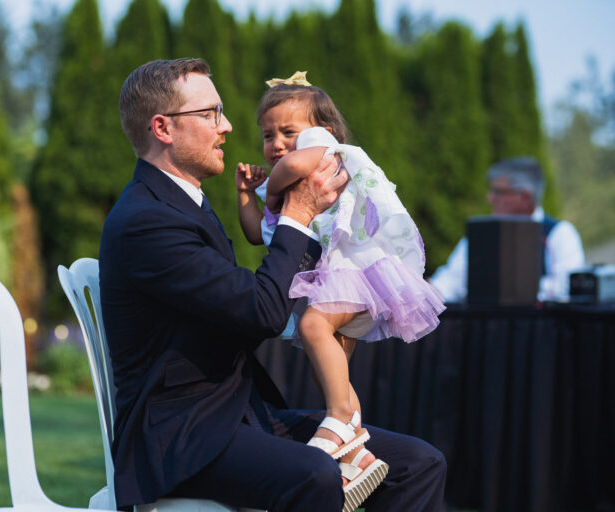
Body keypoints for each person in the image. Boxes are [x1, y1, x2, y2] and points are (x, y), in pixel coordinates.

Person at [100, 58, 447, 512]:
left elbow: (245, 309)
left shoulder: (185, 205)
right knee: (315, 474)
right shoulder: (146, 220)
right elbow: (260, 312)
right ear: (163, 128)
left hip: (235, 415)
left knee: (419, 463)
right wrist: (297, 214)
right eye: (210, 113)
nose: (226, 126)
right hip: (181, 435)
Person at [236, 72, 446, 508]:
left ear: (324, 129)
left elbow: (294, 165)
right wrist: (245, 196)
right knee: (328, 369)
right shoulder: (292, 188)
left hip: (359, 274)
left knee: (313, 328)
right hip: (333, 284)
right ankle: (356, 452)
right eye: (268, 135)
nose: (276, 144)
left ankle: (337, 421)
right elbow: (257, 234)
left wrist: (270, 190)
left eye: (287, 131)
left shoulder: (322, 152)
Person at [429, 157, 585, 302]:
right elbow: (449, 281)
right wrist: (425, 293)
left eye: (497, 192)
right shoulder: (481, 235)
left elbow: (567, 287)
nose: (490, 199)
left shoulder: (558, 233)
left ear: (525, 197)